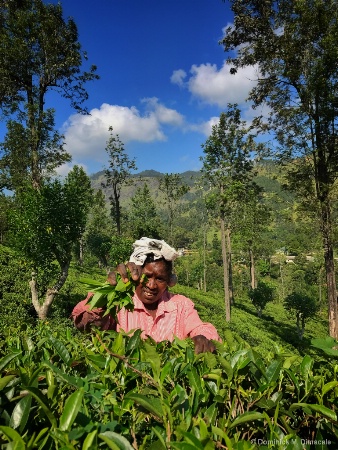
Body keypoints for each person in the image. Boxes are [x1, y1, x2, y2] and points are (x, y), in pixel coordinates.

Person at [71, 237, 220, 353]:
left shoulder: (180, 305)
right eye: (147, 276)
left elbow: (200, 328)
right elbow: (82, 324)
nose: (151, 285)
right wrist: (106, 293)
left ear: (169, 281)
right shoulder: (119, 304)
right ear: (135, 274)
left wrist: (203, 338)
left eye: (160, 279)